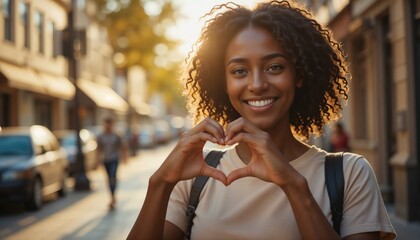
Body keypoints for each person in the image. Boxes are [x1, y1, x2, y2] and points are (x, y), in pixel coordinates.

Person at [128, 1, 396, 239]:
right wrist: (160, 183)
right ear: (224, 83)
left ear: (299, 74)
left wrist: (293, 184)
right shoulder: (198, 174)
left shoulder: (349, 174)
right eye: (239, 71)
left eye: (274, 67)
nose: (256, 84)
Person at [96, 117, 128, 210]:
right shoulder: (101, 136)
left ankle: (113, 197)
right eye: (106, 123)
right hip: (106, 160)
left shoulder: (116, 135)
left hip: (114, 159)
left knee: (113, 177)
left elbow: (123, 146)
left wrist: (125, 157)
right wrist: (97, 161)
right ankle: (112, 196)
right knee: (109, 179)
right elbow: (99, 149)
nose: (107, 125)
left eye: (109, 123)